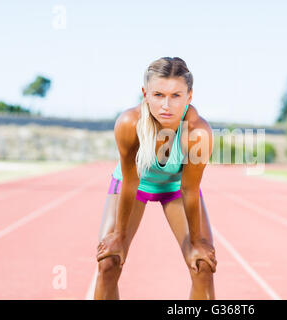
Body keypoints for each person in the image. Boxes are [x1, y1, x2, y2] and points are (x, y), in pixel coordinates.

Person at [94, 57, 217, 300]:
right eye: (158, 94)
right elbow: (130, 182)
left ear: (189, 96)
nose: (166, 105)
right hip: (135, 186)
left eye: (176, 95)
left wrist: (196, 241)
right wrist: (118, 236)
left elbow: (190, 190)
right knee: (109, 262)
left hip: (176, 188)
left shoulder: (198, 132)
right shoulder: (129, 124)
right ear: (145, 94)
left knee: (203, 265)